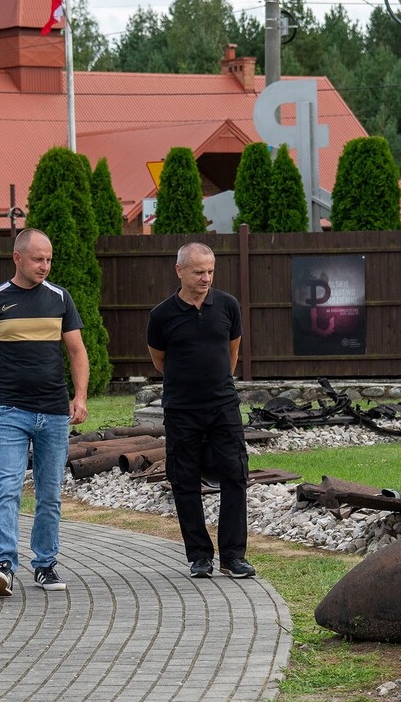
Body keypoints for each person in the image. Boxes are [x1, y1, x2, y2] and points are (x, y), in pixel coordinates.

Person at [0, 228, 89, 598]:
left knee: (50, 493)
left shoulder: (59, 298)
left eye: (49, 259)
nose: (45, 265)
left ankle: (45, 565)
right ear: (17, 258)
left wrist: (80, 396)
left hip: (54, 412)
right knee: (7, 487)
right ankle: (3, 566)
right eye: (38, 259)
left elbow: (77, 351)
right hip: (9, 411)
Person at [147, 242, 255, 579]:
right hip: (181, 409)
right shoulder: (161, 315)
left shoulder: (227, 306)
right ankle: (199, 556)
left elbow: (232, 352)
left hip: (223, 406)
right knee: (184, 481)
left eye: (210, 271)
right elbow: (159, 359)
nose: (206, 277)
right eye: (198, 272)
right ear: (180, 271)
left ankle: (233, 557)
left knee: (235, 476)